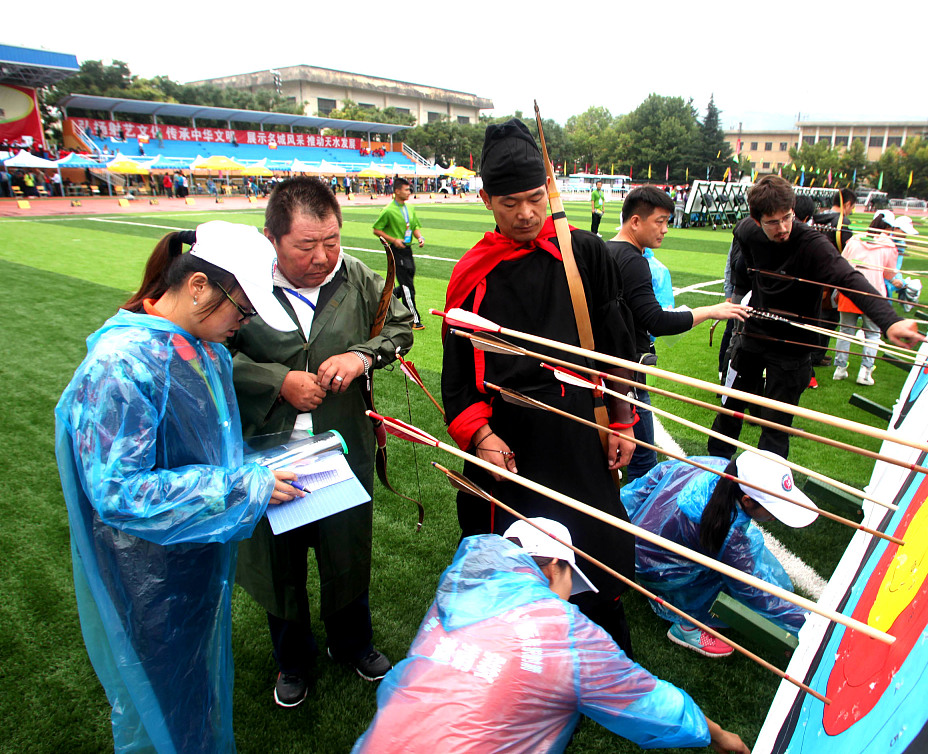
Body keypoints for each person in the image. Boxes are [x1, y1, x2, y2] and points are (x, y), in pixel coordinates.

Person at [55, 221, 302, 752]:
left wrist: (265, 468)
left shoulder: (202, 347)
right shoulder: (120, 366)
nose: (244, 321)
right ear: (197, 287)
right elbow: (121, 492)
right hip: (147, 573)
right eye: (242, 307)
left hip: (193, 559)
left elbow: (209, 447)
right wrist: (241, 489)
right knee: (164, 704)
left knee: (196, 690)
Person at [441, 118, 639, 654]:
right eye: (510, 203)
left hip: (581, 430)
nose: (525, 213)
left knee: (599, 543)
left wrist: (621, 417)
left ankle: (602, 654)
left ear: (548, 190)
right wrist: (480, 436)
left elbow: (616, 346)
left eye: (534, 198)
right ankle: (524, 658)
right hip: (509, 443)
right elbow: (458, 375)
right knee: (518, 553)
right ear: (485, 199)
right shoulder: (473, 275)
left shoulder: (586, 253)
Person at [229, 176, 414, 708]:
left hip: (342, 448)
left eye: (331, 241)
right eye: (306, 246)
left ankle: (351, 642)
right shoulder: (241, 285)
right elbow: (211, 353)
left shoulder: (354, 275)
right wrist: (276, 382)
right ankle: (293, 659)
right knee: (278, 558)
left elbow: (400, 325)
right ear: (272, 240)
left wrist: (361, 357)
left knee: (346, 549)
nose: (322, 257)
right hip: (270, 454)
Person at [352, 518, 750, 753]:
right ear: (555, 566)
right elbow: (650, 704)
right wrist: (718, 735)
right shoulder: (562, 632)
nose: (570, 598)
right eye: (569, 583)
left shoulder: (461, 588)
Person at [707, 176, 922, 460]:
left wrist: (890, 321)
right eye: (773, 222)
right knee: (731, 408)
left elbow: (849, 278)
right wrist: (741, 291)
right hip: (754, 336)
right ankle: (713, 464)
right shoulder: (747, 231)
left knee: (776, 424)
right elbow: (742, 259)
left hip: (794, 347)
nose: (783, 228)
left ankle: (765, 489)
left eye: (788, 217)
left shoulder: (811, 243)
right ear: (757, 220)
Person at [606, 185, 748, 479]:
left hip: (606, 366)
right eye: (659, 221)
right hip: (627, 371)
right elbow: (656, 321)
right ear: (635, 221)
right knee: (643, 460)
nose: (665, 230)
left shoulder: (605, 250)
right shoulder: (634, 261)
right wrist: (710, 311)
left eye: (667, 222)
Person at [621, 453, 815, 657]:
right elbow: (754, 591)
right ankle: (687, 625)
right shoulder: (727, 534)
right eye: (771, 510)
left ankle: (649, 573)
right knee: (726, 584)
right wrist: (809, 621)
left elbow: (649, 482)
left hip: (631, 540)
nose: (774, 518)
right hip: (655, 568)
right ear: (747, 501)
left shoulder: (718, 466)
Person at [833, 211, 905, 386]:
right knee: (872, 334)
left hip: (849, 292)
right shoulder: (888, 245)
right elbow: (889, 273)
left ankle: (840, 369)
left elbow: (841, 265)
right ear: (887, 228)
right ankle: (865, 372)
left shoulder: (856, 239)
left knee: (846, 332)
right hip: (873, 294)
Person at [809, 188, 857, 369]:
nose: (851, 211)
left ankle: (816, 354)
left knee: (819, 314)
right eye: (851, 207)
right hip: (829, 278)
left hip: (814, 273)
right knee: (828, 318)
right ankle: (815, 355)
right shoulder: (841, 224)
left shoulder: (818, 218)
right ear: (847, 204)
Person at [372, 177, 425, 330]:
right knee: (407, 286)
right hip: (396, 250)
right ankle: (413, 319)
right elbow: (377, 229)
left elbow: (414, 226)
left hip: (408, 249)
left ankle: (386, 299)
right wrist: (393, 240)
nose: (409, 192)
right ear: (397, 191)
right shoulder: (388, 210)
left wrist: (420, 237)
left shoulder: (410, 208)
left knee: (407, 282)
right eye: (406, 189)